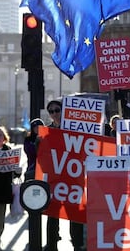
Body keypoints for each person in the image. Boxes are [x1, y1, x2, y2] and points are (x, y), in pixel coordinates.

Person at [44, 99, 85, 251]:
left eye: (57, 110)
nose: (55, 113)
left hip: (73, 177)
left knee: (74, 213)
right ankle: (51, 244)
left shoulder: (74, 129)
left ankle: (77, 244)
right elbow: (42, 155)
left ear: (63, 111)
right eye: (51, 111)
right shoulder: (46, 132)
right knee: (53, 213)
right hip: (54, 179)